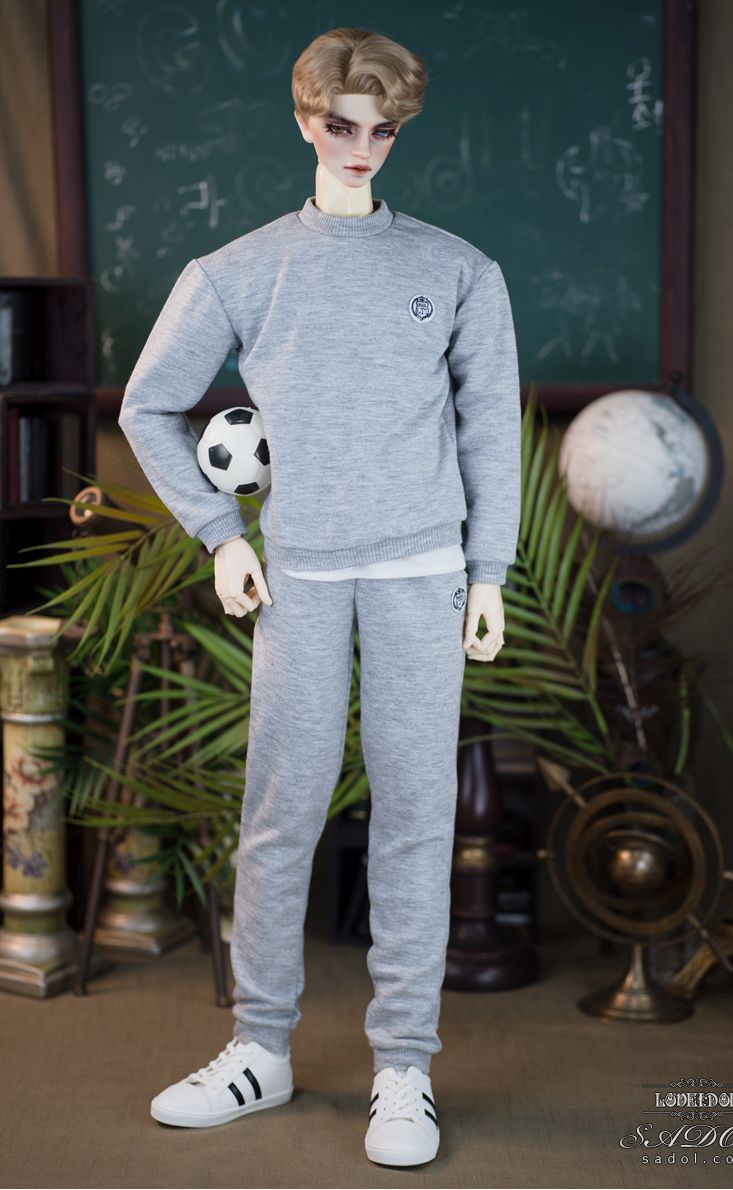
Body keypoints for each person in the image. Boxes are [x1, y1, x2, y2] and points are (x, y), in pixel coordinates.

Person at [118, 26, 520, 1167]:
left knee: (415, 816)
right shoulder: (240, 270)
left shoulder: (458, 270)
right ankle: (260, 1048)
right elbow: (149, 405)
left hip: (420, 576)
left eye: (381, 129)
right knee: (280, 811)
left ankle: (404, 1069)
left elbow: (489, 428)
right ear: (304, 119)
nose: (360, 146)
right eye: (340, 124)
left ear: (399, 132)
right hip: (293, 574)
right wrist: (219, 535)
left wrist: (487, 570)